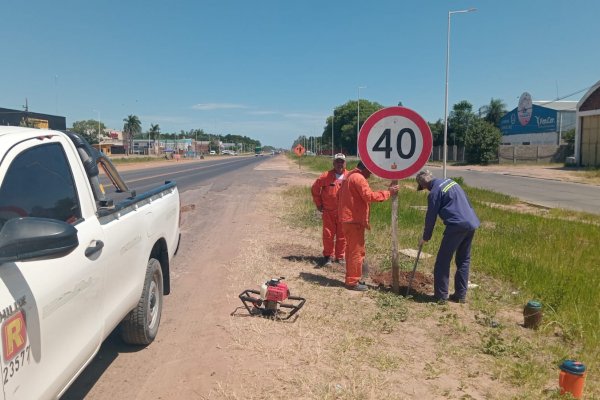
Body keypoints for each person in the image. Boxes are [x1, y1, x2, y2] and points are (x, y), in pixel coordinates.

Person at [416, 170, 480, 304]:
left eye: (423, 188)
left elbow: (430, 217)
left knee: (442, 261)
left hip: (456, 226)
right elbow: (466, 200)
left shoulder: (434, 193)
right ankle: (460, 295)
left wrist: (425, 237)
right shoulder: (451, 182)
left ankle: (441, 296)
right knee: (463, 259)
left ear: (424, 185)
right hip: (471, 223)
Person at [338, 161, 399, 291]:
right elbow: (369, 196)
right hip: (354, 220)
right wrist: (388, 193)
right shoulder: (358, 178)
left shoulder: (349, 176)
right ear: (365, 168)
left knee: (350, 251)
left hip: (348, 219)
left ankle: (351, 278)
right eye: (370, 171)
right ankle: (352, 282)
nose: (370, 174)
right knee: (356, 252)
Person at [311, 153, 349, 267]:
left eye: (341, 162)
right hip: (329, 211)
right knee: (328, 235)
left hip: (344, 212)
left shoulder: (350, 176)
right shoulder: (325, 176)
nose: (339, 164)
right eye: (337, 161)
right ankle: (328, 257)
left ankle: (340, 257)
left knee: (342, 236)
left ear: (345, 163)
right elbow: (315, 189)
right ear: (333, 163)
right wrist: (318, 204)